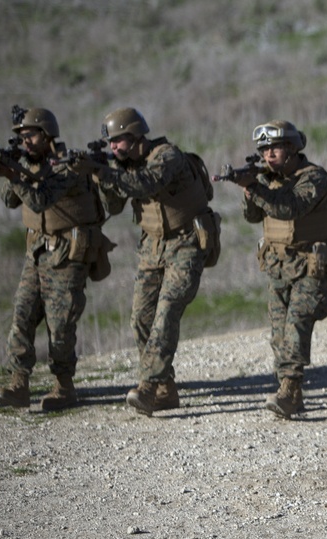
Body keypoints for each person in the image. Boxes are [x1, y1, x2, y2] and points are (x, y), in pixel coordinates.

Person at [83, 107, 212, 416]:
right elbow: (114, 206)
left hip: (186, 243)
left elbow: (146, 184)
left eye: (119, 141)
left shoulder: (167, 155)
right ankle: (166, 389)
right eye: (111, 144)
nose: (114, 148)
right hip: (152, 246)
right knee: (141, 318)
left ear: (137, 135)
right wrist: (101, 175)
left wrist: (107, 172)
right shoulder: (125, 166)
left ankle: (148, 387)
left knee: (167, 312)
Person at [0, 107, 108, 411]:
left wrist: (14, 175)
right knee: (22, 315)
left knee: (61, 324)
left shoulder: (68, 166)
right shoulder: (30, 164)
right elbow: (10, 199)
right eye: (22, 137)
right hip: (38, 251)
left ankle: (64, 387)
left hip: (68, 254)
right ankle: (19, 383)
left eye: (29, 135)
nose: (26, 141)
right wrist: (11, 169)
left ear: (46, 134)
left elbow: (40, 199)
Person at [229, 120, 327, 417]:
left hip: (310, 265)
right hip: (278, 265)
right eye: (264, 149)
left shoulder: (314, 178)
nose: (268, 154)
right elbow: (253, 216)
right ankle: (288, 389)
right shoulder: (270, 180)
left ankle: (291, 390)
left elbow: (290, 208)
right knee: (278, 333)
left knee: (296, 325)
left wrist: (254, 186)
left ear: (292, 148)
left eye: (274, 148)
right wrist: (249, 189)